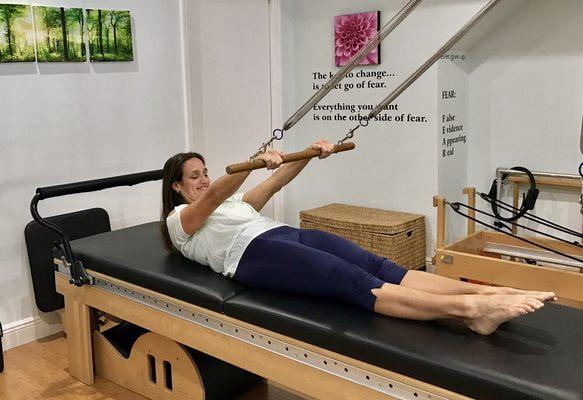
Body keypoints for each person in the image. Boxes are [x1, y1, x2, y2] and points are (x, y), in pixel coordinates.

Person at [160, 140, 555, 335]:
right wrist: (254, 161)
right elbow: (215, 195)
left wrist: (309, 153)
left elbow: (275, 181)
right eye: (194, 175)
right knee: (355, 283)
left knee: (379, 265)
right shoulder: (179, 221)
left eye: (205, 171)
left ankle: (484, 295)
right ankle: (470, 314)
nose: (204, 180)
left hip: (283, 235)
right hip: (251, 256)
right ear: (177, 187)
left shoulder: (236, 206)